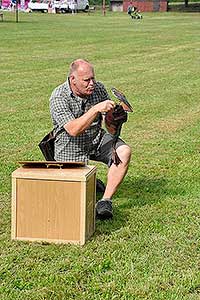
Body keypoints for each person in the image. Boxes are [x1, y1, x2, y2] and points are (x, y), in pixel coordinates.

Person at [50, 59, 131, 220]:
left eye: (93, 78)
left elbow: (110, 128)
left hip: (96, 138)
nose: (92, 83)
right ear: (73, 79)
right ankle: (93, 184)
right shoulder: (58, 97)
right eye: (86, 80)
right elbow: (73, 130)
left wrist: (115, 119)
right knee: (70, 198)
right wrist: (95, 109)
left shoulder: (99, 89)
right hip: (70, 145)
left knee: (124, 151)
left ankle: (105, 201)